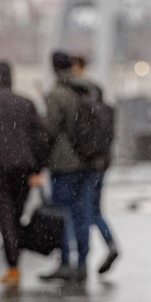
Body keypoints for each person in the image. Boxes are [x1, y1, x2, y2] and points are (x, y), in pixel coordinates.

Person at [0, 62, 50, 287]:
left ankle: (12, 264)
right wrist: (37, 167)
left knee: (4, 213)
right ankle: (16, 252)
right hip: (23, 167)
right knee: (17, 211)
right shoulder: (25, 104)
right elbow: (39, 138)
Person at [39, 51, 97, 283]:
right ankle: (83, 263)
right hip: (88, 161)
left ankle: (65, 261)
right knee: (83, 213)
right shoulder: (89, 88)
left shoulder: (57, 94)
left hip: (63, 165)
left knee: (62, 213)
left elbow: (49, 130)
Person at [71, 55, 119, 274]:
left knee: (85, 211)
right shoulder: (104, 106)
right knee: (95, 209)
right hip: (102, 164)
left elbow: (80, 135)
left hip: (87, 165)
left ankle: (84, 259)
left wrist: (82, 154)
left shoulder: (82, 101)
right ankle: (110, 244)